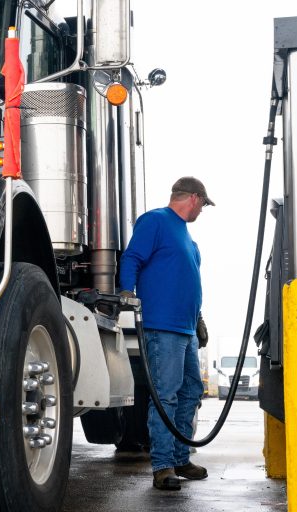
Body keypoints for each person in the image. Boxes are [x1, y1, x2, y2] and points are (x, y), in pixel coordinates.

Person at [119, 176, 213, 491]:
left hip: (186, 329)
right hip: (162, 327)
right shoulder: (156, 221)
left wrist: (199, 319)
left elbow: (189, 282)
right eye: (203, 204)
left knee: (191, 392)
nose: (202, 210)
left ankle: (180, 457)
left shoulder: (189, 240)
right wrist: (127, 291)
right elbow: (132, 257)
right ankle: (163, 466)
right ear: (195, 198)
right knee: (166, 395)